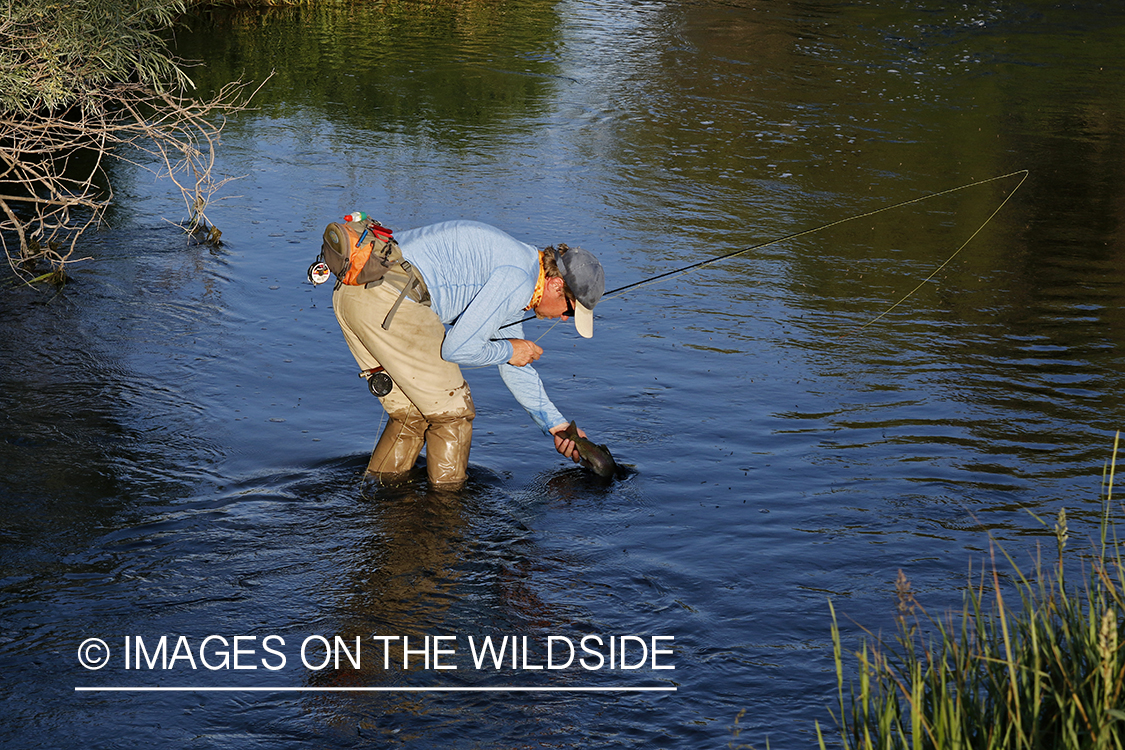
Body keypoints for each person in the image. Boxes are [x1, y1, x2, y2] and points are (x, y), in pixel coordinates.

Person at [332, 219, 605, 487]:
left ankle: (378, 498)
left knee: (412, 414)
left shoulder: (523, 267)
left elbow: (514, 365)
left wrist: (555, 424)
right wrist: (509, 350)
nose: (566, 319)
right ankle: (447, 517)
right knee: (453, 414)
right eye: (570, 310)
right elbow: (457, 348)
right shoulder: (517, 278)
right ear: (557, 286)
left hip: (354, 292)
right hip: (391, 302)